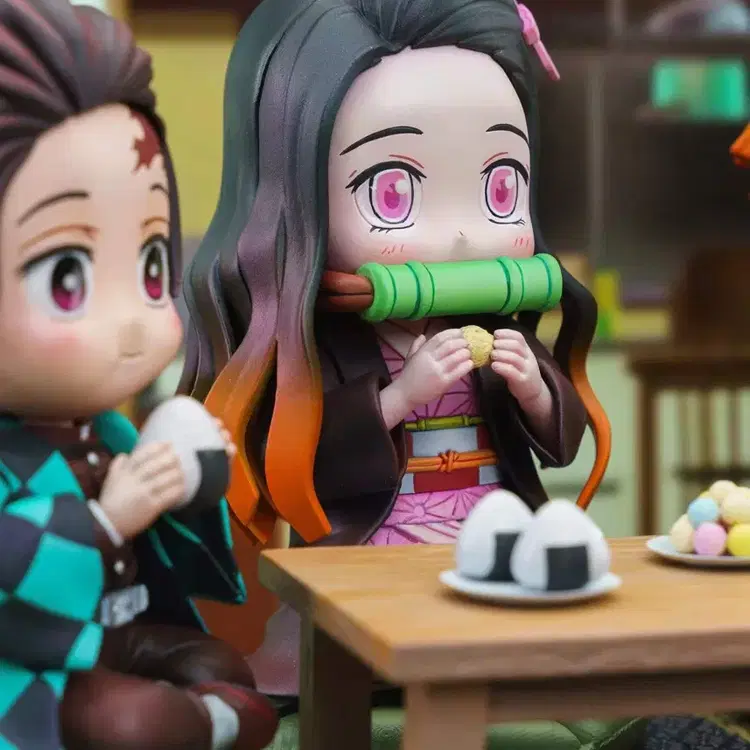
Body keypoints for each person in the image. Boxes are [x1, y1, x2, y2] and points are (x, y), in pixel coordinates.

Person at [180, 0, 610, 709]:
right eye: (393, 192)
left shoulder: (495, 324)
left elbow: (560, 445)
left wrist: (534, 388)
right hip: (379, 545)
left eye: (500, 186)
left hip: (490, 531)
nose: (462, 236)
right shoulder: (317, 348)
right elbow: (299, 458)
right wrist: (397, 398)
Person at [0, 2, 277, 748]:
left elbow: (178, 537)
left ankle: (206, 715)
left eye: (152, 267)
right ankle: (202, 723)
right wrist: (107, 520)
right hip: (26, 667)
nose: (129, 321)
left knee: (219, 662)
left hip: (119, 628)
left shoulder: (109, 431)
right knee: (130, 722)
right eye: (66, 278)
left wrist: (190, 474)